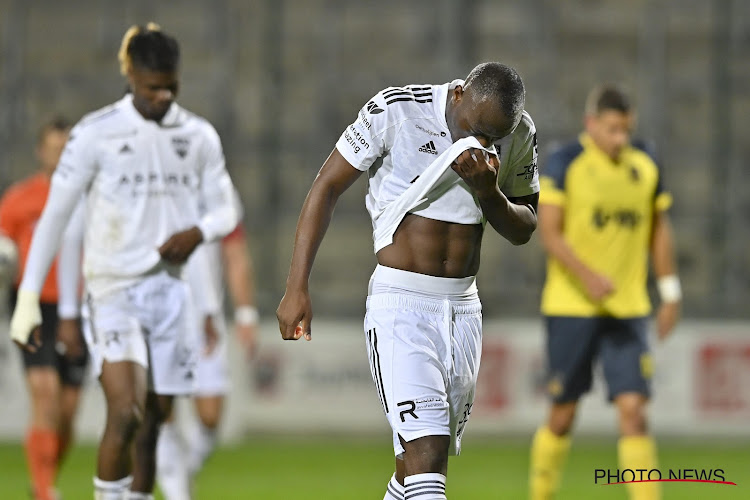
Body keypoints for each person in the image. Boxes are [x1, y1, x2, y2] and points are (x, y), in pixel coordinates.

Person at [277, 62, 539, 499]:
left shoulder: (520, 132)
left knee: (411, 470)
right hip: (402, 306)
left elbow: (524, 228)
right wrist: (296, 285)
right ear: (459, 95)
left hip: (463, 311)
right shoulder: (397, 110)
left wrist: (489, 192)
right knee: (427, 458)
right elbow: (326, 186)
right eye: (475, 129)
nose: (482, 142)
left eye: (493, 138)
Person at [9, 23, 239, 500]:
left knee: (155, 417)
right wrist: (29, 296)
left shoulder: (197, 136)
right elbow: (57, 216)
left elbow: (226, 209)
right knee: (125, 409)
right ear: (130, 75)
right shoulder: (96, 134)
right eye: (152, 87)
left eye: (171, 87)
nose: (163, 98)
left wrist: (198, 231)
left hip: (171, 293)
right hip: (113, 290)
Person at [529, 84, 681, 500]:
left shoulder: (645, 162)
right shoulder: (565, 162)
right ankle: (540, 495)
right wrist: (587, 274)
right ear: (590, 123)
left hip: (628, 308)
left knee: (634, 412)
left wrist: (669, 292)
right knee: (562, 415)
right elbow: (550, 231)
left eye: (626, 131)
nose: (620, 140)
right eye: (612, 130)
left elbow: (659, 229)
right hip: (571, 306)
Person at [0, 117, 88, 500]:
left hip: (80, 309)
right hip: (33, 304)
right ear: (40, 151)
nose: (58, 155)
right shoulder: (20, 199)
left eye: (65, 148)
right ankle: (42, 487)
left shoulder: (87, 198)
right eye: (53, 148)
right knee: (45, 392)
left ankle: (45, 474)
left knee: (67, 412)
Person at [156, 202, 258, 500]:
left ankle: (178, 470)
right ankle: (176, 490)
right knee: (162, 407)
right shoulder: (154, 174)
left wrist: (246, 314)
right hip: (160, 313)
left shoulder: (221, 191)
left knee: (211, 416)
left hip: (205, 319)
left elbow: (235, 255)